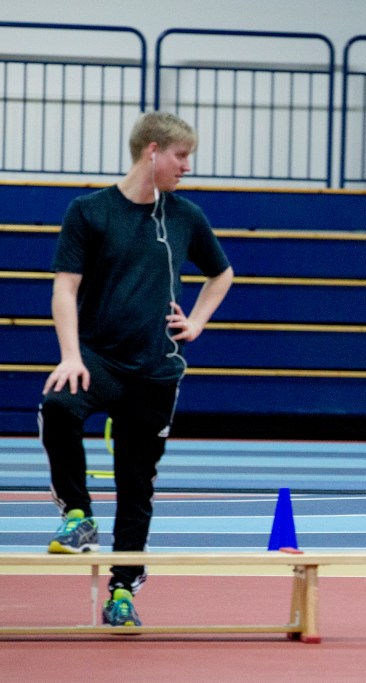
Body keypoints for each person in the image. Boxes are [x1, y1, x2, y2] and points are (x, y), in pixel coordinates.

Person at [39, 111, 234, 627]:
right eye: (181, 156)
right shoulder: (90, 211)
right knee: (58, 404)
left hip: (156, 371)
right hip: (99, 358)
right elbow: (65, 287)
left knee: (136, 483)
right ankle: (77, 515)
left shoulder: (185, 216)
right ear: (152, 151)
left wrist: (195, 323)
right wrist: (71, 355)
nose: (187, 167)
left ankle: (122, 591)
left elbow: (222, 273)